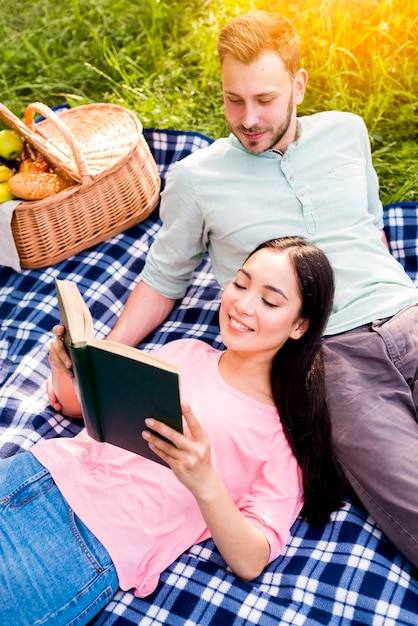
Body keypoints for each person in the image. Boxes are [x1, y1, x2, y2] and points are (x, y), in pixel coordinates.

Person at [48, 10, 418, 568]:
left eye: (265, 99)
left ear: (299, 85)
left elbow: (372, 229)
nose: (248, 118)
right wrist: (104, 356)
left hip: (407, 312)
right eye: (233, 100)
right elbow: (163, 277)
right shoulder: (197, 179)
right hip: (330, 354)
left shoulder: (347, 131)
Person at [2, 237, 341, 625]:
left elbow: (251, 560)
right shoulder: (185, 352)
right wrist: (66, 365)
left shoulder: (281, 436)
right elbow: (83, 408)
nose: (243, 305)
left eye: (269, 301)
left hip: (87, 543)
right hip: (33, 471)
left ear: (299, 326)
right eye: (241, 284)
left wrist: (203, 480)